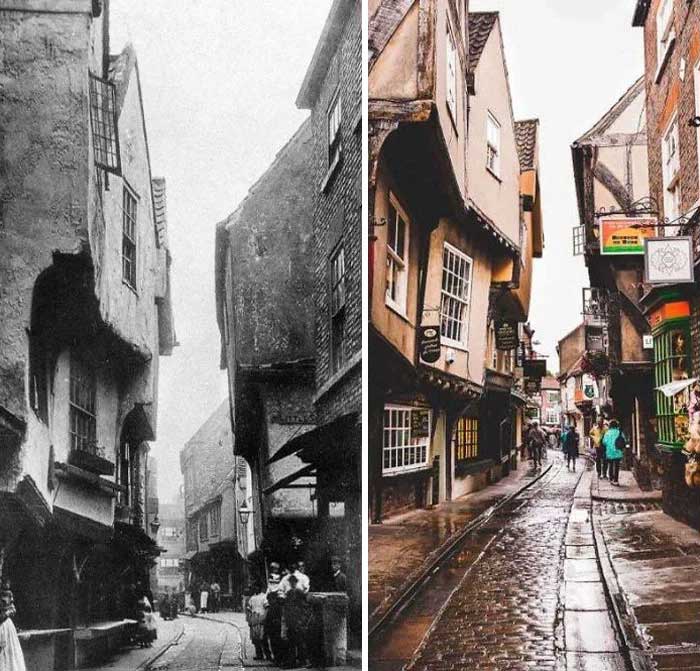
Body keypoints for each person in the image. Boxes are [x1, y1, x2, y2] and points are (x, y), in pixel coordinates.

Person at [282, 575, 311, 668]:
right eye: (291, 582)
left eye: (294, 582)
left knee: (301, 642)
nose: (292, 584)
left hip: (298, 620)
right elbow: (286, 607)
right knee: (291, 643)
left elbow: (305, 606)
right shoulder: (289, 593)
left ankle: (304, 661)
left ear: (296, 582)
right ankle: (292, 662)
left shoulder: (299, 592)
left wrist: (302, 620)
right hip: (291, 621)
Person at [0, 579, 26, 671]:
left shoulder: (7, 594)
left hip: (5, 626)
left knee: (11, 660)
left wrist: (7, 612)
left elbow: (12, 609)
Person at [265, 563, 285, 665]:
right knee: (274, 637)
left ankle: (279, 658)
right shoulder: (269, 593)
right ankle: (277, 658)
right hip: (273, 617)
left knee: (277, 638)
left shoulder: (279, 594)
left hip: (277, 616)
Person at [246, 585, 272, 661]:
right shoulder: (252, 598)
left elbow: (267, 608)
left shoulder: (264, 597)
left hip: (261, 617)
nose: (255, 589)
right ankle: (259, 654)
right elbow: (249, 610)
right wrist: (249, 619)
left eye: (257, 587)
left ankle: (268, 655)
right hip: (254, 618)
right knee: (255, 638)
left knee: (263, 637)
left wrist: (265, 617)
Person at [602, 419, 626, 485]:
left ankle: (611, 479)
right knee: (617, 466)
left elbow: (604, 442)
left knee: (611, 465)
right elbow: (624, 440)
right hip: (618, 451)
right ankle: (616, 480)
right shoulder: (619, 432)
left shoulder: (607, 433)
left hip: (609, 452)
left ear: (609, 425)